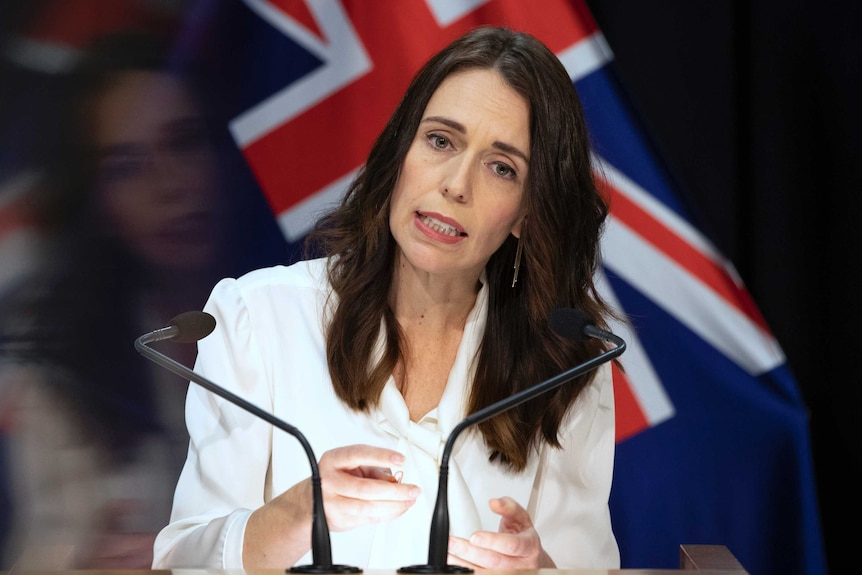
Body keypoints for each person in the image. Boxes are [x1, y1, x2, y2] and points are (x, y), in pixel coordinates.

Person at [153, 26, 620, 571]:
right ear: (401, 151)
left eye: (502, 167)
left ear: (525, 213)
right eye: (441, 140)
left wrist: (538, 570)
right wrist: (295, 514)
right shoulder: (257, 318)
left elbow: (589, 565)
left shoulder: (567, 364)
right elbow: (180, 562)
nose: (456, 184)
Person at [0, 30, 239, 569]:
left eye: (183, 143)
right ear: (99, 203)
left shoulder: (316, 318)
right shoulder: (65, 369)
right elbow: (46, 549)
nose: (169, 186)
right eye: (127, 167)